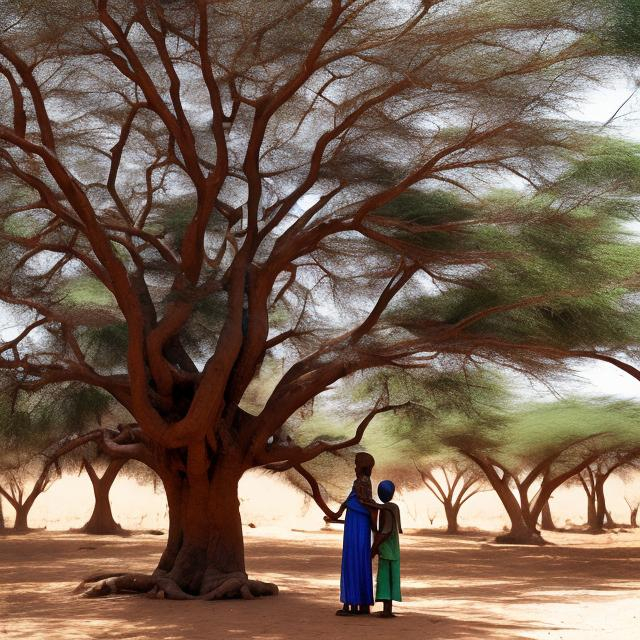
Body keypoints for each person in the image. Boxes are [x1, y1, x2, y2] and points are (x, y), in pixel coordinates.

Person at [326, 451, 378, 616]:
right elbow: (350, 502)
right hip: (357, 525)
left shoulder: (361, 483)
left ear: (362, 467)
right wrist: (335, 515)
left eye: (357, 465)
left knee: (352, 560)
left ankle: (353, 604)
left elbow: (364, 504)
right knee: (359, 560)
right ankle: (360, 604)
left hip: (357, 526)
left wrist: (336, 514)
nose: (355, 468)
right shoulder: (361, 482)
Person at [371, 480, 402, 618]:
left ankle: (387, 611)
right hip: (394, 549)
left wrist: (374, 547)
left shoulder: (386, 510)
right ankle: (387, 609)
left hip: (387, 550)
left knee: (384, 580)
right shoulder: (394, 507)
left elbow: (385, 531)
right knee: (391, 580)